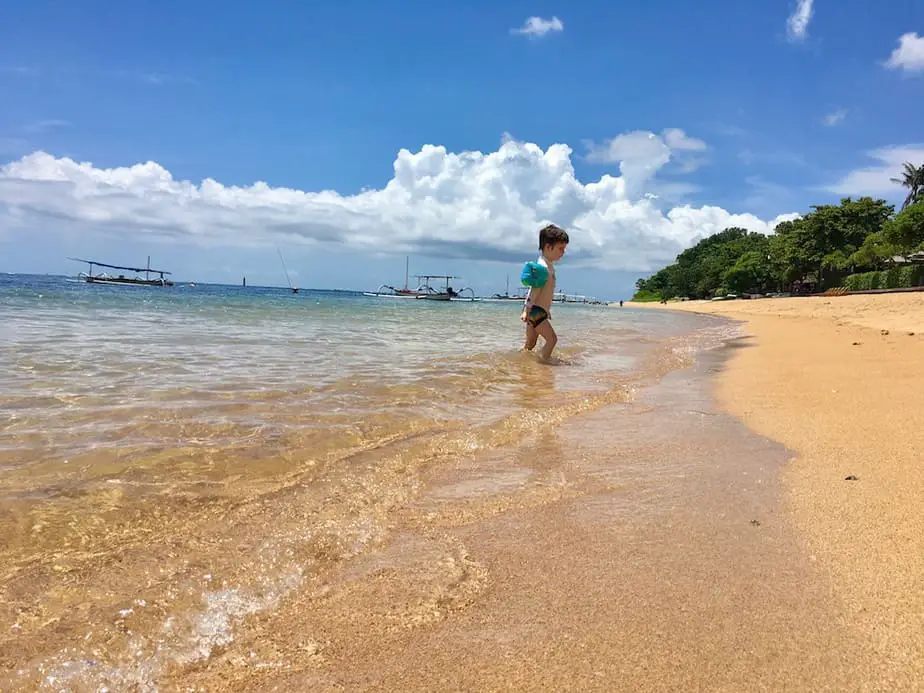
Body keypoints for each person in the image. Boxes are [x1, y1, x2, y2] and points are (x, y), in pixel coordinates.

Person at [521, 223, 569, 360]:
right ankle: (541, 363)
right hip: (535, 312)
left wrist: (546, 311)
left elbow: (544, 294)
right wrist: (526, 310)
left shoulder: (548, 266)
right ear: (548, 247)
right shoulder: (543, 269)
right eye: (561, 249)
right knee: (552, 340)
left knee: (530, 344)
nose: (563, 253)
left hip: (537, 311)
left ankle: (522, 364)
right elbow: (534, 290)